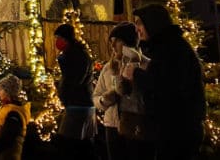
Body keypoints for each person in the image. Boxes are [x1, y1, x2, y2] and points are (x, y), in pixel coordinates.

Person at [123, 4, 205, 160]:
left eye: (140, 23)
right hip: (172, 129)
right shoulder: (166, 47)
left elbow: (167, 87)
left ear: (153, 24)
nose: (137, 28)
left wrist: (136, 74)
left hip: (178, 130)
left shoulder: (172, 49)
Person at [93, 21, 150, 160]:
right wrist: (104, 100)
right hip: (112, 127)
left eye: (117, 41)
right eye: (111, 41)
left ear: (128, 43)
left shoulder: (146, 65)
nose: (112, 46)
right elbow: (96, 95)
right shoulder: (108, 68)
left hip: (136, 126)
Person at [53, 23, 97, 159]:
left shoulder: (75, 56)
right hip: (80, 104)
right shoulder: (76, 54)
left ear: (66, 39)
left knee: (71, 145)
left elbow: (73, 81)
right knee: (80, 145)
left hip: (78, 106)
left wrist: (63, 93)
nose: (57, 41)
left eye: (59, 38)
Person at [0, 74, 30, 160]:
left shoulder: (14, 112)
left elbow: (7, 139)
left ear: (8, 92)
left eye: (1, 89)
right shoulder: (6, 108)